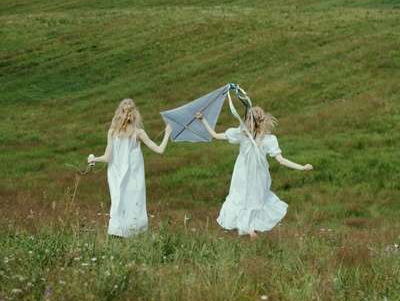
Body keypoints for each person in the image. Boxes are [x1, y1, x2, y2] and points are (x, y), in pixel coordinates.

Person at [196, 107, 313, 238]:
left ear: (257, 122)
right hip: (242, 175)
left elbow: (281, 160)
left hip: (258, 176)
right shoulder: (241, 134)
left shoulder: (268, 140)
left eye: (250, 120)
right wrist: (203, 120)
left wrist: (301, 167)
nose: (247, 123)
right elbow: (215, 135)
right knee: (240, 198)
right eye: (247, 120)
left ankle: (250, 229)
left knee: (256, 200)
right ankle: (248, 230)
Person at [87, 98, 172, 237]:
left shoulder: (139, 133)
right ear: (120, 113)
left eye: (130, 111)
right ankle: (117, 234)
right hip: (116, 174)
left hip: (133, 175)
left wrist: (167, 133)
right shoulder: (112, 132)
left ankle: (135, 235)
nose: (127, 114)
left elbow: (159, 150)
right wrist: (94, 159)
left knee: (134, 202)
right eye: (125, 111)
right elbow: (108, 156)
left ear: (134, 113)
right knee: (118, 202)